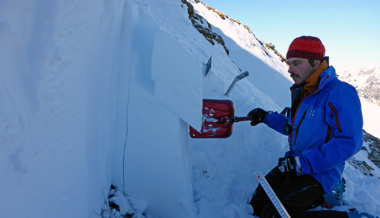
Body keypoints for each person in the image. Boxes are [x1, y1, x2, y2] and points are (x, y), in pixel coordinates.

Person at [247, 36, 364, 217]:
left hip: (320, 172)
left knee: (274, 214)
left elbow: (350, 141)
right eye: (289, 63)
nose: (290, 69)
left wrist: (303, 164)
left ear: (316, 63)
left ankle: (349, 215)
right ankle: (315, 201)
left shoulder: (339, 92)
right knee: (255, 205)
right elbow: (293, 127)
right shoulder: (305, 91)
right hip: (294, 164)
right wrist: (266, 117)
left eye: (296, 63)